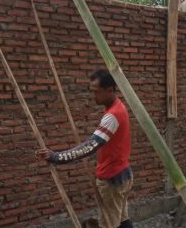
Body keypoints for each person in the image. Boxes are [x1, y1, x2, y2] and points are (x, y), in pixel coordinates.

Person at [36, 70, 133, 228]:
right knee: (122, 219)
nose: (94, 96)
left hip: (112, 178)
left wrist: (56, 157)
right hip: (122, 174)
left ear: (110, 90)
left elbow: (90, 146)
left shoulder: (113, 116)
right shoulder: (118, 107)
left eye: (97, 92)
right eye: (92, 91)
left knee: (109, 224)